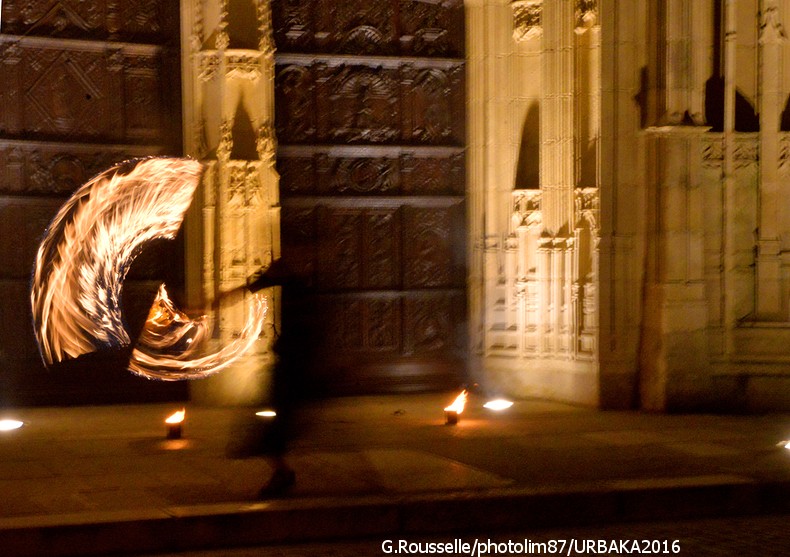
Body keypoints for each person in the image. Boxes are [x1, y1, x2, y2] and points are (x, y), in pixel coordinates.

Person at [246, 257, 311, 498]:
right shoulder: (293, 280)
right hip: (289, 364)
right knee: (274, 427)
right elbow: (255, 285)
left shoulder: (301, 287)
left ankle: (282, 473)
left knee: (274, 429)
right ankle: (282, 471)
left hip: (295, 367)